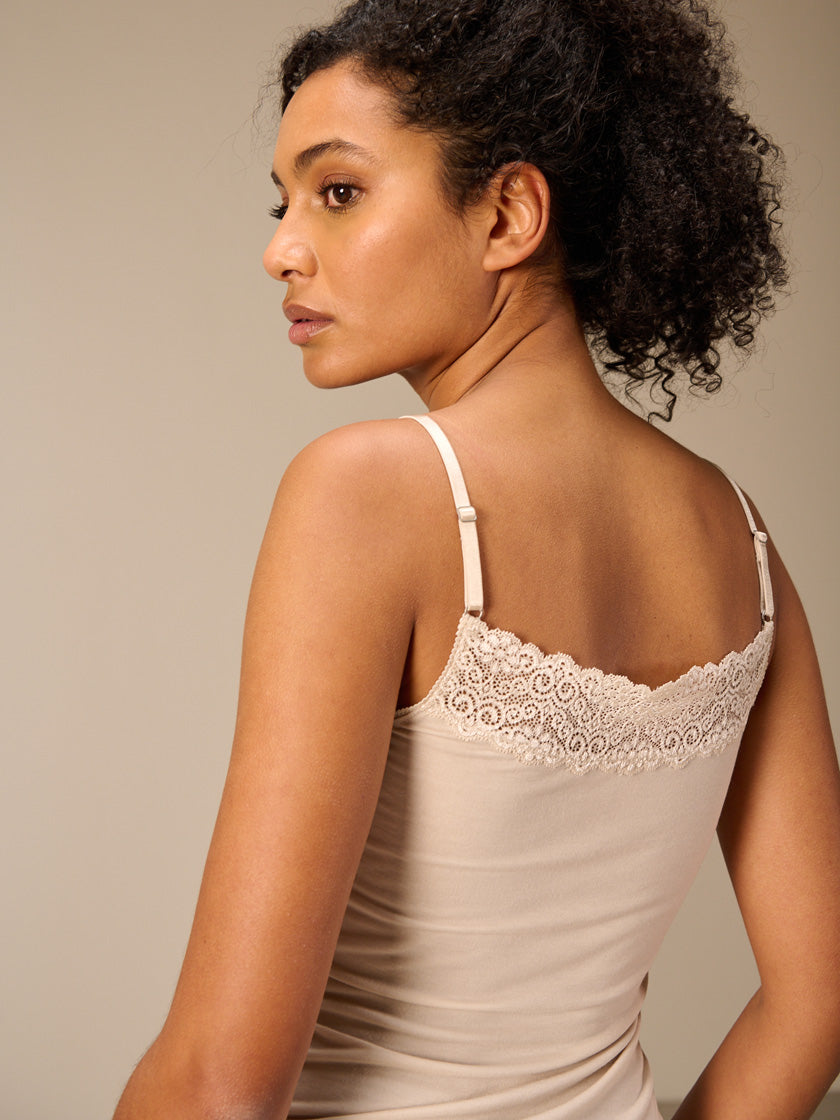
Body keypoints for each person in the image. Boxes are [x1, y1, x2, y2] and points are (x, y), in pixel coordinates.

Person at [112, 1, 840, 1117]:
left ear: (508, 214)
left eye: (337, 191)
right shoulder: (742, 540)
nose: (280, 249)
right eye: (283, 202)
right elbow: (822, 992)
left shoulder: (368, 493)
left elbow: (218, 1081)